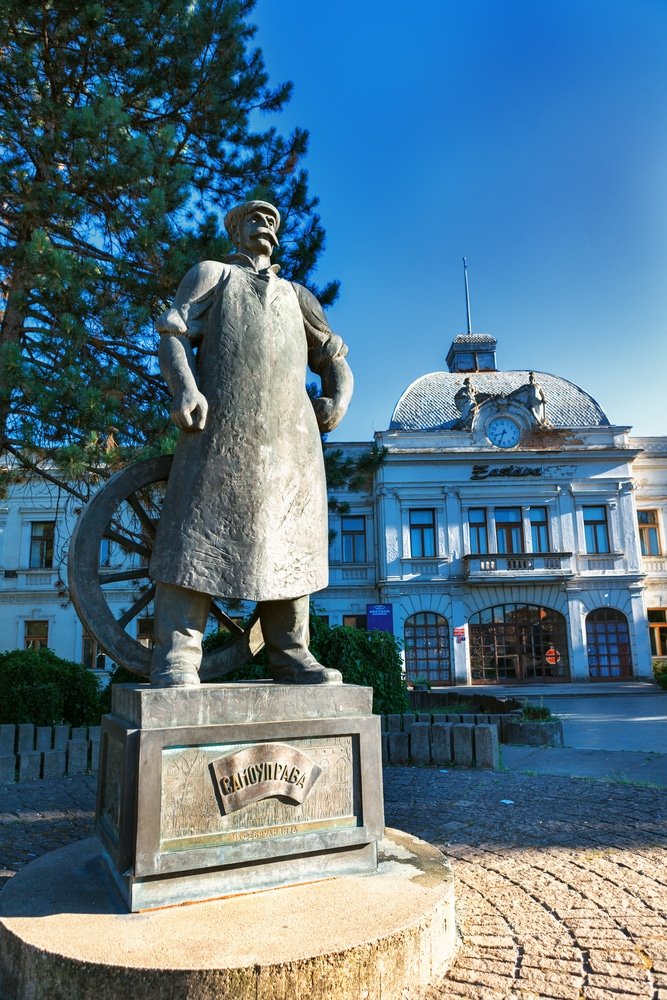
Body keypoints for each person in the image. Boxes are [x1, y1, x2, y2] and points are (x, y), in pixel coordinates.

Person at [148, 201, 353, 687]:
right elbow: (173, 333)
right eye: (252, 218)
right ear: (235, 230)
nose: (263, 223)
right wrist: (186, 388)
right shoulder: (212, 275)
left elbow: (334, 357)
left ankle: (290, 652)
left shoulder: (298, 296)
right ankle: (178, 655)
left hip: (290, 440)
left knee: (292, 538)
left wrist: (338, 399)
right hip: (219, 427)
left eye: (271, 219)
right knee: (195, 528)